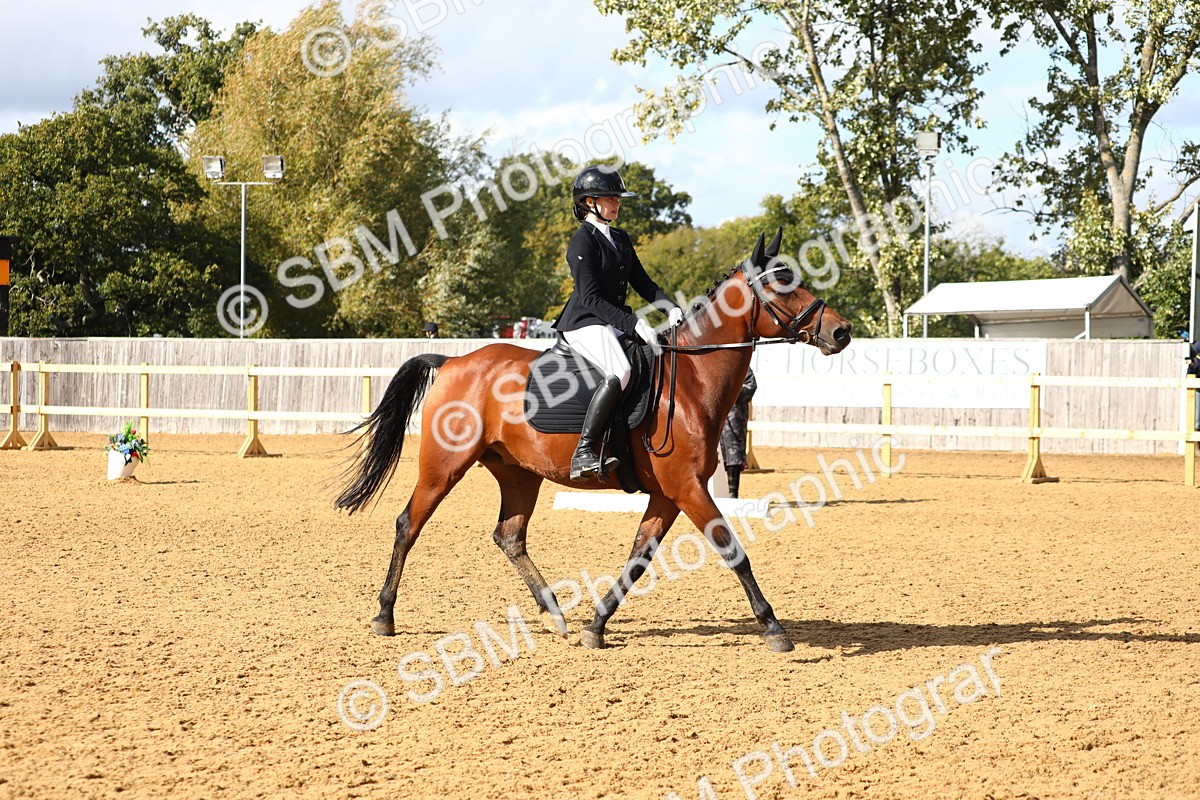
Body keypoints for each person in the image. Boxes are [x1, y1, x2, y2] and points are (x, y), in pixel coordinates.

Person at [553, 165, 684, 480]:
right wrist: (633, 323)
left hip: (610, 321)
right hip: (583, 322)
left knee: (652, 360)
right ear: (588, 202)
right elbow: (590, 298)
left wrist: (671, 307)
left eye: (616, 198)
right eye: (609, 198)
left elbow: (643, 282)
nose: (616, 203)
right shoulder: (582, 242)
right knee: (621, 371)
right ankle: (583, 451)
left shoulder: (620, 238)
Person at [720, 367, 757, 498]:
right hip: (714, 418)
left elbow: (750, 387)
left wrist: (731, 392)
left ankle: (733, 493)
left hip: (734, 417)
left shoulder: (743, 367)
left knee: (733, 455)